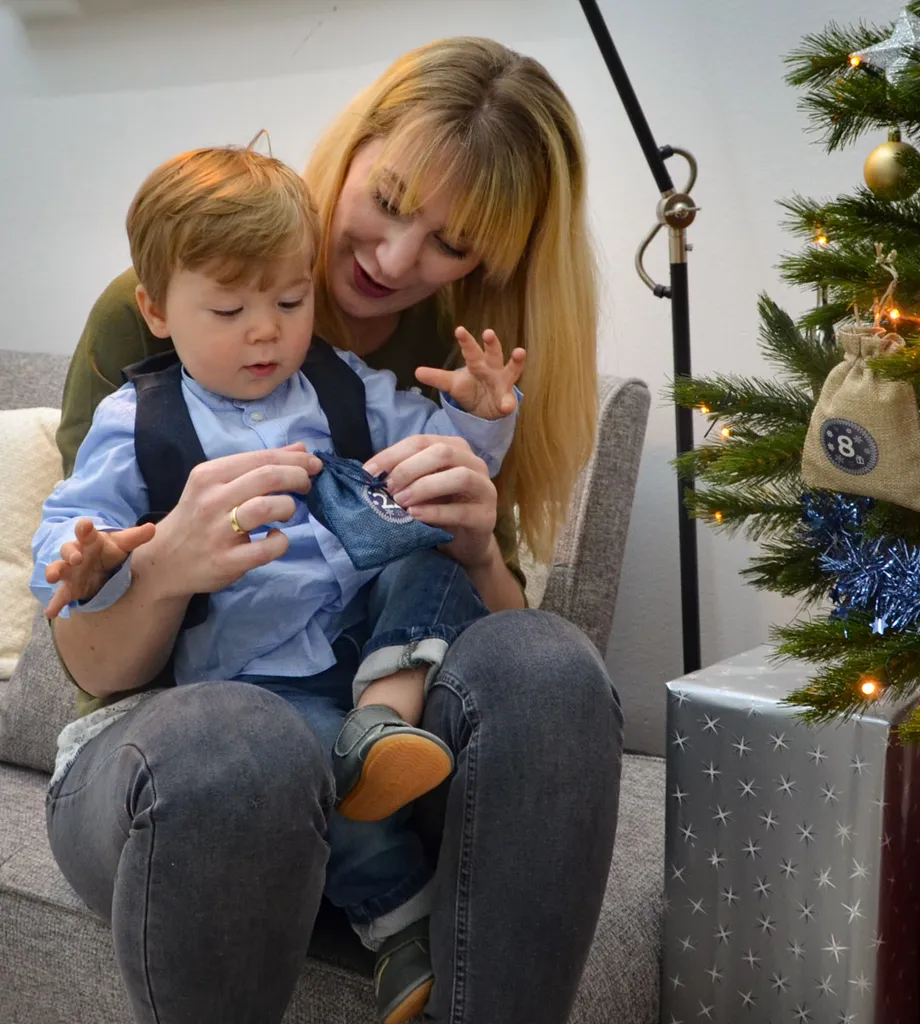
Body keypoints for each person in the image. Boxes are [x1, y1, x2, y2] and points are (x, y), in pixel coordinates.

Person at [45, 35, 624, 1024]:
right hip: (181, 742)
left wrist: (475, 545)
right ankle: (358, 801)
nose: (396, 260)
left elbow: (503, 662)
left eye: (449, 243)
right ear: (352, 147)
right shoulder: (165, 311)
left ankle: (376, 730)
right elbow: (91, 655)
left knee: (552, 663)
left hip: (388, 731)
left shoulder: (456, 355)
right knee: (247, 743)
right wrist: (162, 566)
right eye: (389, 200)